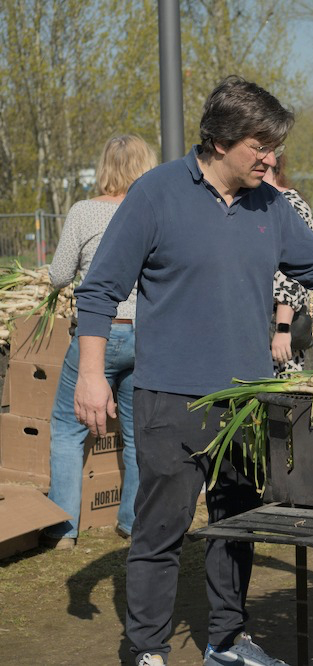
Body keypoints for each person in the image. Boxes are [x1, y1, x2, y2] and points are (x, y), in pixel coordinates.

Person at [72, 76, 313, 666]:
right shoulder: (156, 193)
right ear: (219, 140)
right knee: (160, 532)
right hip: (171, 399)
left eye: (275, 147)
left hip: (246, 401)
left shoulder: (270, 204)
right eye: (260, 146)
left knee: (237, 526)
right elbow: (99, 288)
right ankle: (146, 649)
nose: (271, 159)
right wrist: (91, 374)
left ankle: (227, 642)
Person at [41, 134, 158, 549]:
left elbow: (59, 275)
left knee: (67, 429)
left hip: (99, 332)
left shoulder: (84, 211)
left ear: (105, 166)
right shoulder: (153, 210)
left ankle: (63, 530)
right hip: (145, 334)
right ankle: (132, 522)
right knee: (137, 434)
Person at [263, 155, 313, 376]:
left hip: (279, 327)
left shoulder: (289, 204)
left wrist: (283, 328)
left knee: (279, 387)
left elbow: (293, 271)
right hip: (266, 327)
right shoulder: (267, 203)